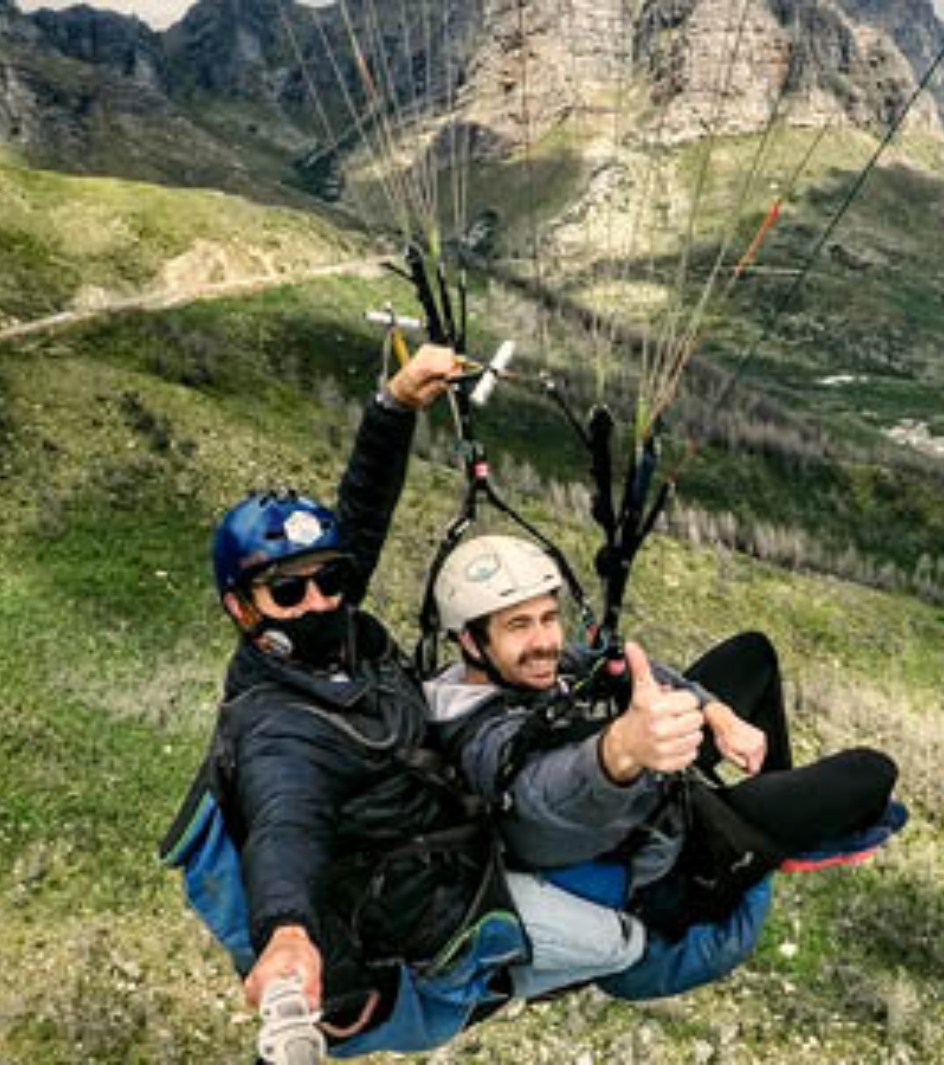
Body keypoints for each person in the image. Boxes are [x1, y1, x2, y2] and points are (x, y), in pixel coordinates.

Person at [164, 349, 645, 1055]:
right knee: (621, 943)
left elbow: (358, 517)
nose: (320, 600)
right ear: (241, 608)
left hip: (452, 821)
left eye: (328, 580)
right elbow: (282, 824)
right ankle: (473, 984)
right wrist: (288, 932)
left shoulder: (334, 638)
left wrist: (394, 405)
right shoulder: (277, 726)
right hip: (425, 895)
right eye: (289, 592)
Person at [426, 534, 903, 947]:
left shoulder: (512, 671)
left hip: (659, 780)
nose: (544, 641)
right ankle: (771, 843)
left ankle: (775, 806)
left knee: (752, 653)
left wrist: (716, 713)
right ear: (469, 641)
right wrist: (620, 750)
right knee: (873, 772)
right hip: (674, 850)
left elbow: (615, 667)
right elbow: (545, 789)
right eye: (517, 625)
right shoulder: (481, 742)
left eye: (547, 617)